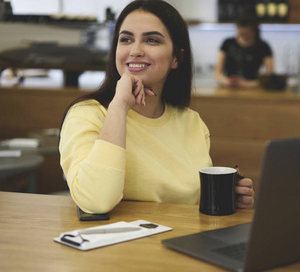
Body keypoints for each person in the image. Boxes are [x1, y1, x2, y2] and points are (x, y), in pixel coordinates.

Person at [59, 0, 254, 214]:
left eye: (151, 40)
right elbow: (95, 201)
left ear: (176, 58)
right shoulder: (87, 114)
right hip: (121, 246)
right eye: (126, 39)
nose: (135, 50)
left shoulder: (191, 122)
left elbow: (191, 202)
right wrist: (119, 105)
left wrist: (228, 197)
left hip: (183, 242)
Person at [214, 12, 274, 89]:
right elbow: (217, 73)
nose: (244, 37)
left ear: (254, 31)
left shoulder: (263, 47)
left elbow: (269, 77)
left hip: (253, 90)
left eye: (247, 34)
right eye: (241, 34)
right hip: (229, 89)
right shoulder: (227, 43)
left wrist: (247, 84)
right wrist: (226, 81)